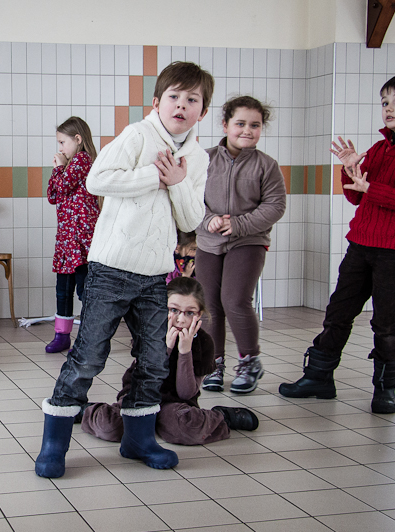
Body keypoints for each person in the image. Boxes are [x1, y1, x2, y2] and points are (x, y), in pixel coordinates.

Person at [35, 61, 213, 478]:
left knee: (153, 360)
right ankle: (54, 444)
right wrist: (156, 175)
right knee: (88, 356)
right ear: (157, 102)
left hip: (155, 275)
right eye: (174, 96)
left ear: (203, 111)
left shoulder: (198, 157)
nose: (181, 105)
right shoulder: (137, 135)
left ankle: (138, 440)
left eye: (192, 99)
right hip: (111, 268)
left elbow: (191, 217)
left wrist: (177, 181)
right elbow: (97, 179)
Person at [279, 73, 395, 414]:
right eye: (384, 102)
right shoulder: (380, 148)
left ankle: (385, 389)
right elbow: (357, 196)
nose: (388, 108)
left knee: (385, 321)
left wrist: (371, 188)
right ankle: (319, 378)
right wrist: (349, 169)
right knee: (338, 312)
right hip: (361, 243)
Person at [81, 277, 258, 445]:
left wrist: (185, 352)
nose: (181, 320)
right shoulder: (148, 332)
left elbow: (186, 393)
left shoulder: (204, 342)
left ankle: (222, 416)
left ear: (199, 314)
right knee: (110, 427)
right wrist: (165, 348)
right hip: (139, 396)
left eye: (190, 313)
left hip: (175, 405)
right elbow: (143, 382)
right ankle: (86, 411)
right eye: (174, 310)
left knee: (187, 428)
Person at [195, 96, 286, 394]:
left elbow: (275, 206)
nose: (247, 130)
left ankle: (249, 362)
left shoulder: (266, 165)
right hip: (209, 243)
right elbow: (189, 199)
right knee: (209, 304)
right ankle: (213, 363)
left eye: (255, 125)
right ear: (225, 125)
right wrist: (208, 219)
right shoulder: (204, 159)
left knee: (234, 300)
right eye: (240, 123)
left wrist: (240, 224)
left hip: (249, 241)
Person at [45, 116, 101, 354]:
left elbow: (63, 186)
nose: (60, 148)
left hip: (81, 239)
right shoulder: (68, 165)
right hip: (67, 241)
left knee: (84, 290)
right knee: (63, 290)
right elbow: (53, 196)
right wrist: (57, 169)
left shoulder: (82, 160)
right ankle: (62, 335)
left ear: (77, 139)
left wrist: (59, 168)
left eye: (62, 142)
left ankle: (90, 337)